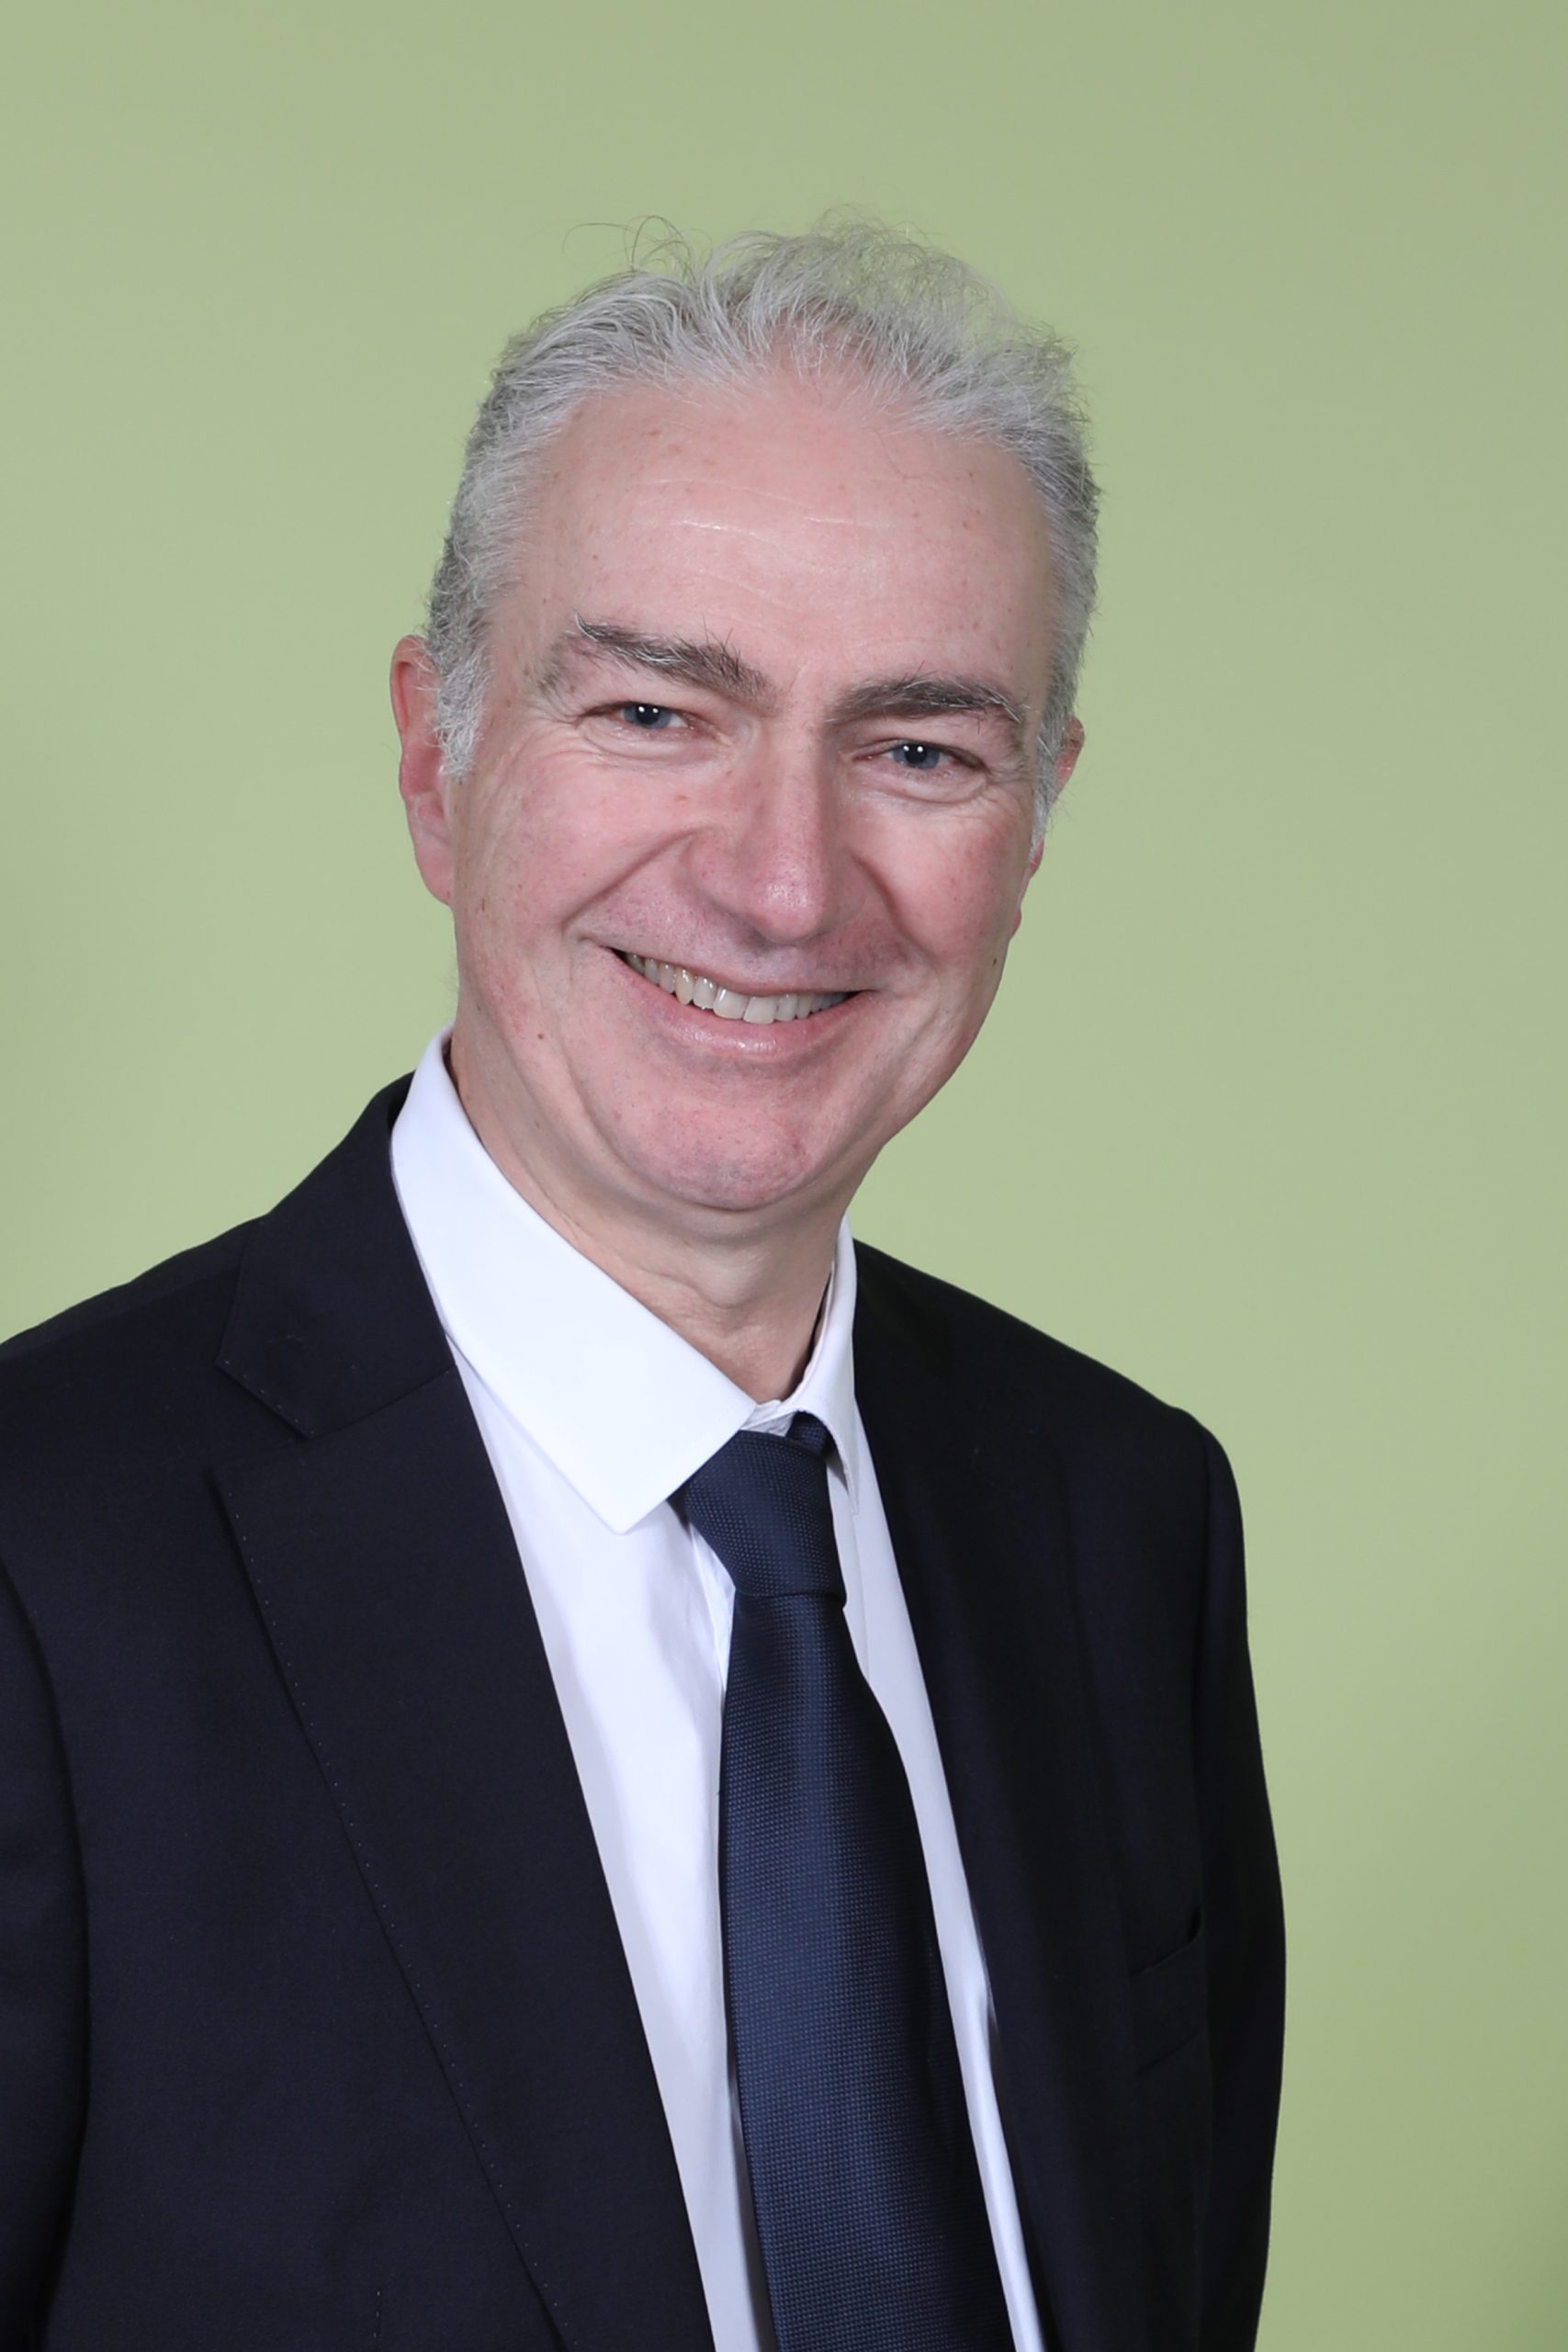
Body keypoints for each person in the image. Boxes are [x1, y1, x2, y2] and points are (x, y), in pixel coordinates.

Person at [0, 223, 1283, 2352]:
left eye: (918, 749)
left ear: (1039, 812)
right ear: (436, 759)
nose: (779, 881)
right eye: (653, 710)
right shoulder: (44, 1563)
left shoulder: (1118, 1519)